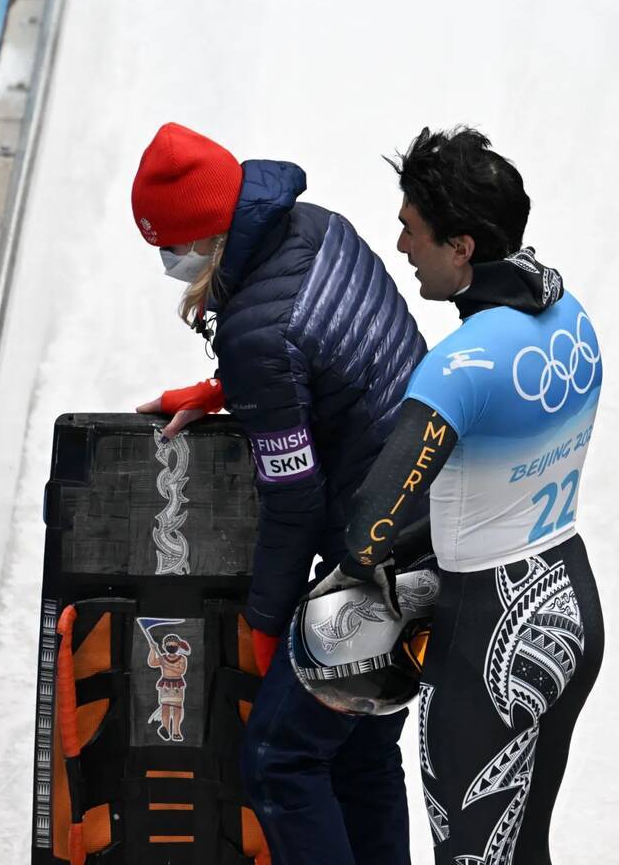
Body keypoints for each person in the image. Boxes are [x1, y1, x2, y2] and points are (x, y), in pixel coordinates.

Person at [131, 122, 429, 864]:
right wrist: (227, 390)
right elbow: (329, 357)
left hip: (379, 562)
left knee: (280, 760)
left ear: (205, 234)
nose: (172, 264)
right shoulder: (316, 225)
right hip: (435, 523)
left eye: (172, 248)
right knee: (357, 753)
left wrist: (267, 628)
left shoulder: (256, 334)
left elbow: (293, 501)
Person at [312, 126, 604, 865]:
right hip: (570, 602)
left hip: (487, 629)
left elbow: (369, 525)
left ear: (462, 246)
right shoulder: (573, 318)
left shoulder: (461, 364)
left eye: (412, 229)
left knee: (469, 855)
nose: (401, 245)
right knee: (523, 845)